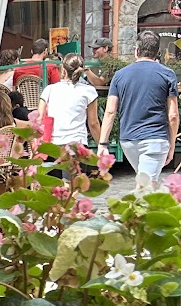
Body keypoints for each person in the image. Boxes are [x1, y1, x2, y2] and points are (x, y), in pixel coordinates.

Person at [99, 30, 179, 192]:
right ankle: (134, 215)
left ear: (136, 50)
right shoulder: (167, 74)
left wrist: (103, 143)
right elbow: (173, 115)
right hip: (155, 139)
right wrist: (171, 145)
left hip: (128, 140)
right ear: (157, 53)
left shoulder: (120, 75)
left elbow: (110, 112)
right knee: (145, 189)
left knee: (146, 183)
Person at [40, 57, 100, 148]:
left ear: (63, 70)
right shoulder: (89, 91)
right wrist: (102, 146)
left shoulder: (49, 89)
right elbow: (93, 123)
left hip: (53, 146)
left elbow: (39, 117)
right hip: (77, 145)